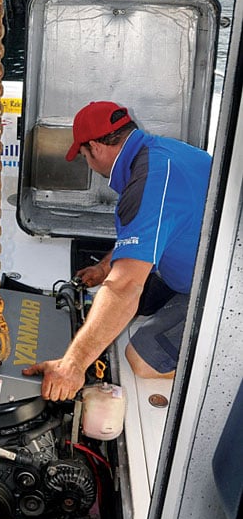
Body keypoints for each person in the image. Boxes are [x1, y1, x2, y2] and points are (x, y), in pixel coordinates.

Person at [23, 100, 212, 401]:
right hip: (204, 264)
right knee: (121, 305)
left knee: (142, 358)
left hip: (225, 287)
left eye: (83, 155)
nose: (88, 163)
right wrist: (105, 267)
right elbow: (145, 232)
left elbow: (125, 287)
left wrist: (73, 364)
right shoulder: (157, 154)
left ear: (96, 148)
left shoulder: (149, 182)